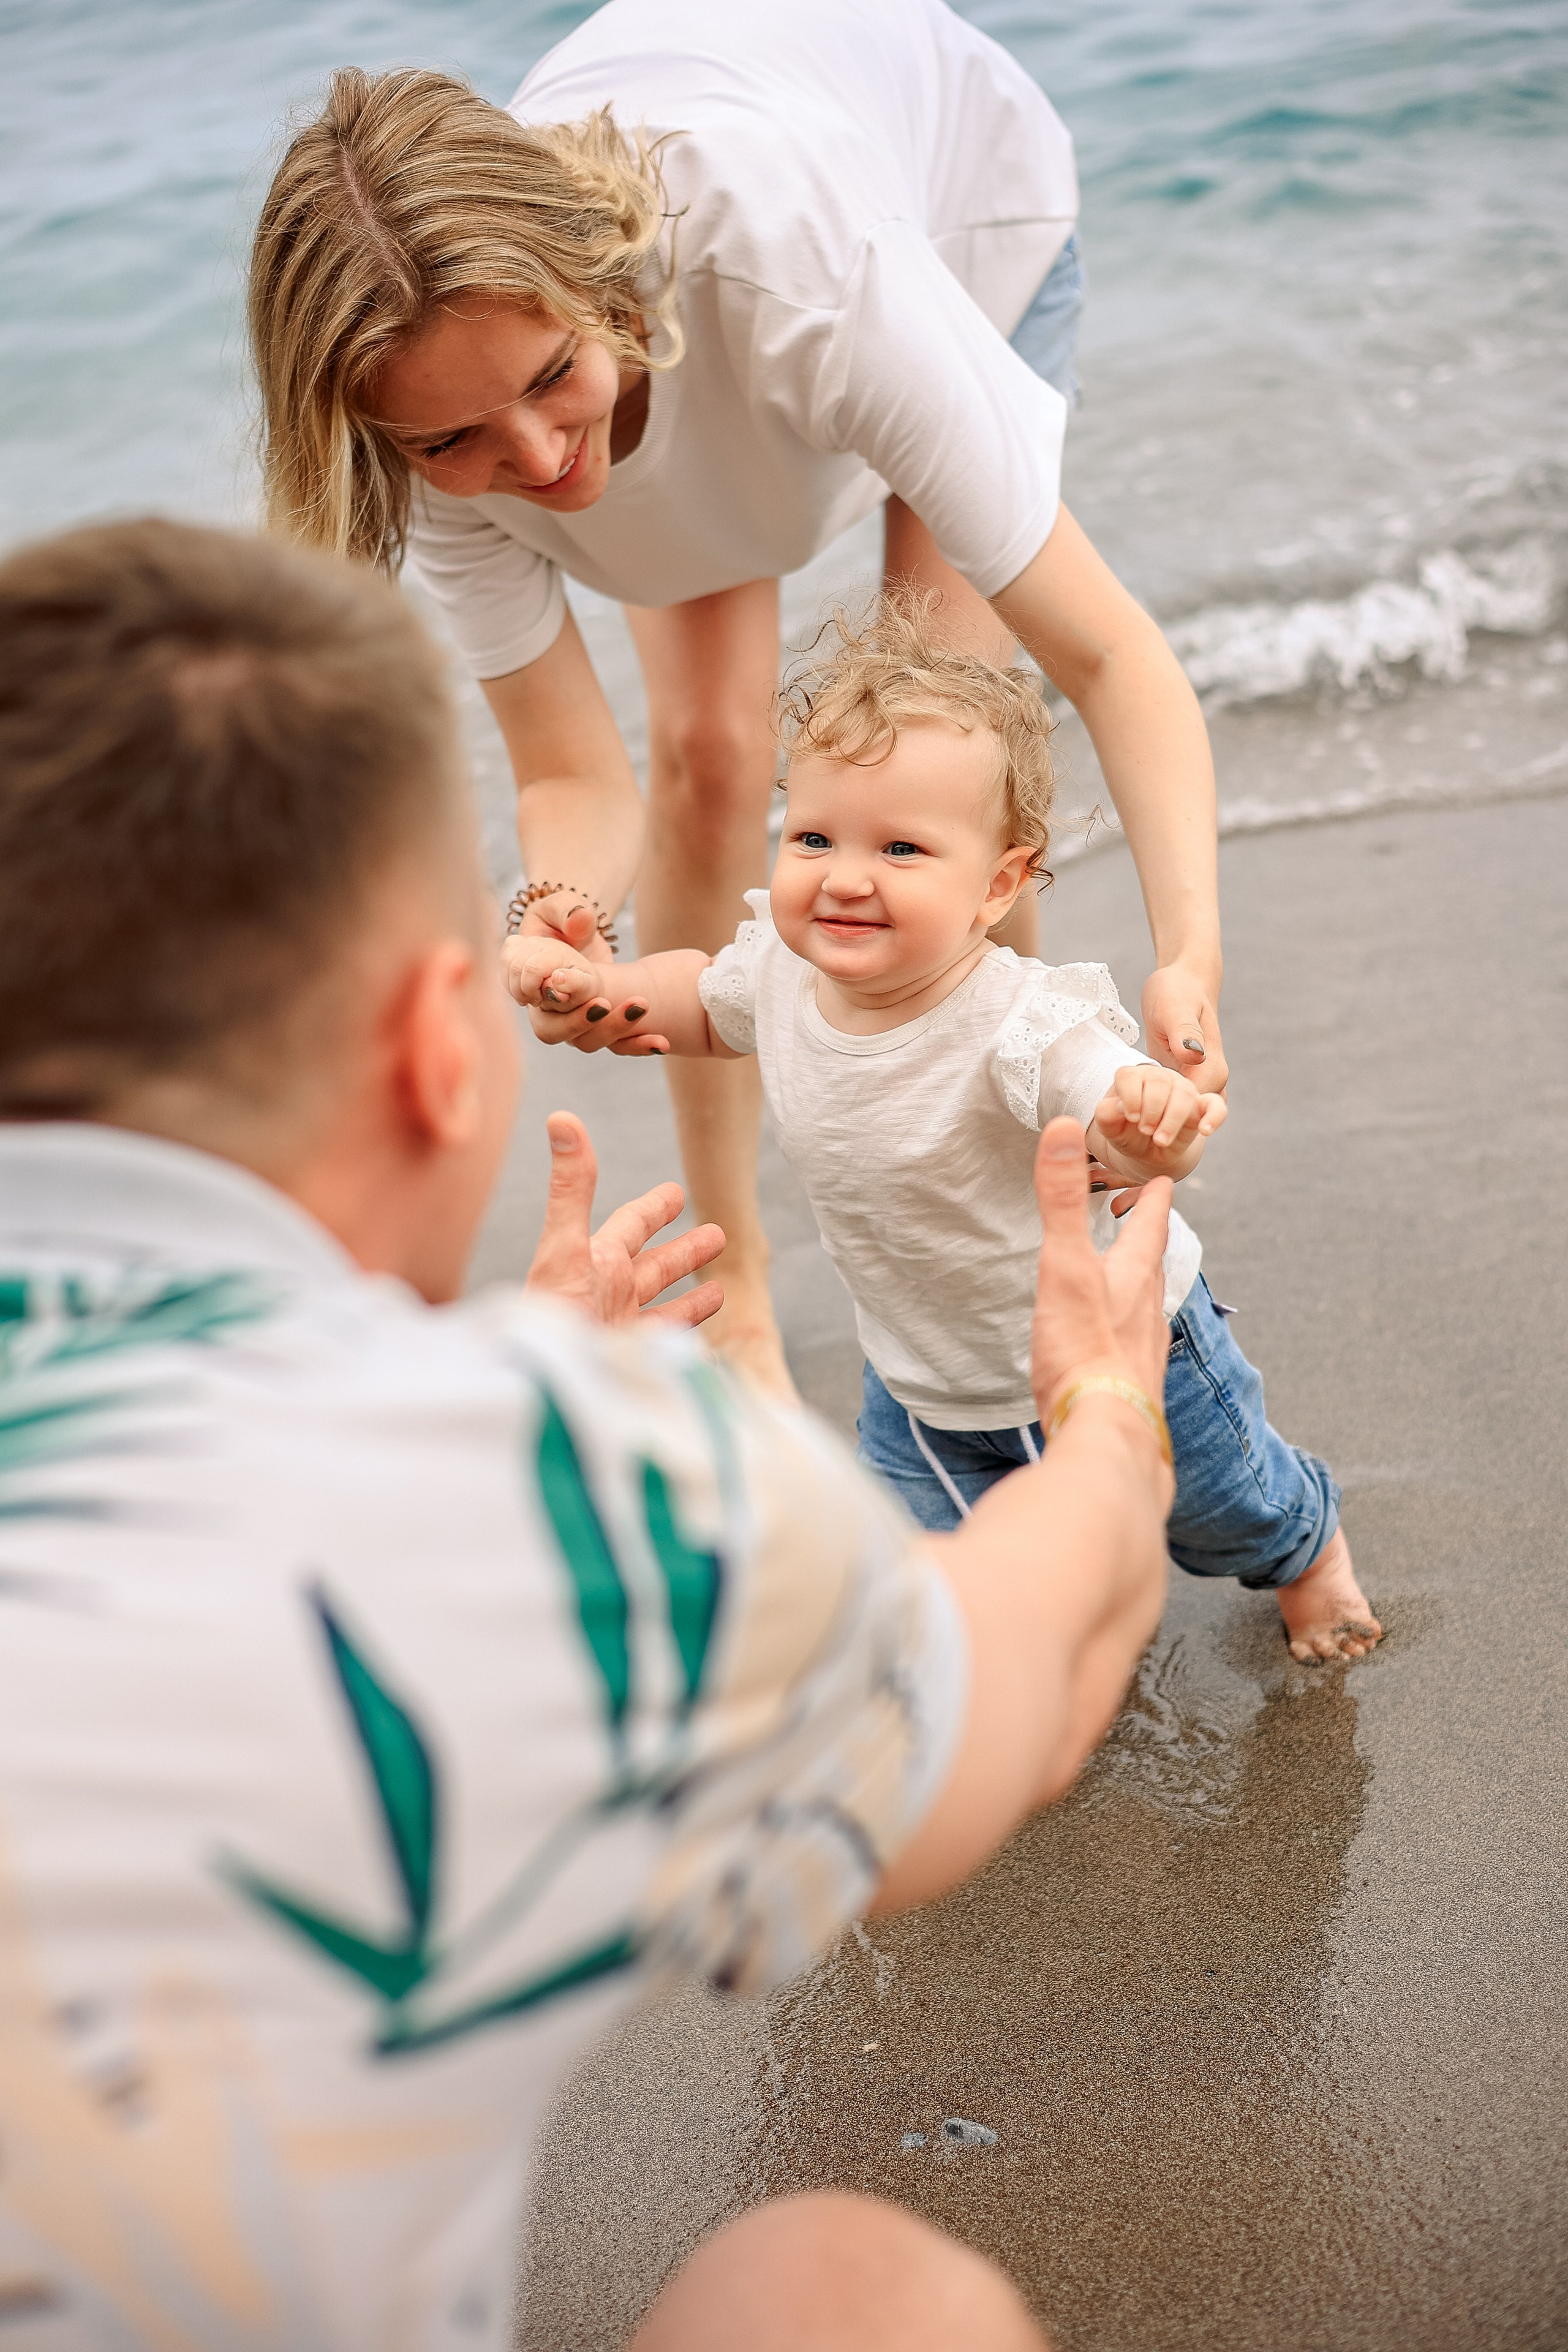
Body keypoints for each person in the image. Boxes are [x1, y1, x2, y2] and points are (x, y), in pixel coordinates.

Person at [0, 517, 1176, 2351]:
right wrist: (1106, 1416)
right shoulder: (571, 1488)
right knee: (855, 2291)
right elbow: (1001, 1714)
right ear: (434, 1049)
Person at [247, 0, 1228, 1398]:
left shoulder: (800, 284)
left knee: (934, 758)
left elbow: (1111, 659)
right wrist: (559, 914)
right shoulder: (434, 417)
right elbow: (576, 780)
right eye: (454, 438)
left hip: (946, 216)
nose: (534, 461)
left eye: (544, 383)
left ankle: (1047, 1182)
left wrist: (1185, 953)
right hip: (699, 311)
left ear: (594, 286)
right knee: (710, 760)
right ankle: (739, 1278)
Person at [517, 594, 1384, 1664]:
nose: (843, 875)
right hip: (921, 1380)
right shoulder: (781, 976)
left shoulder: (1023, 1020)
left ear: (998, 885)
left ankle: (1311, 1554)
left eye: (902, 849)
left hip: (1121, 1351)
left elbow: (1115, 1095)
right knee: (928, 1587)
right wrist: (605, 987)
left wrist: (1154, 1121)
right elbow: (698, 994)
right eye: (816, 835)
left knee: (1224, 1507)